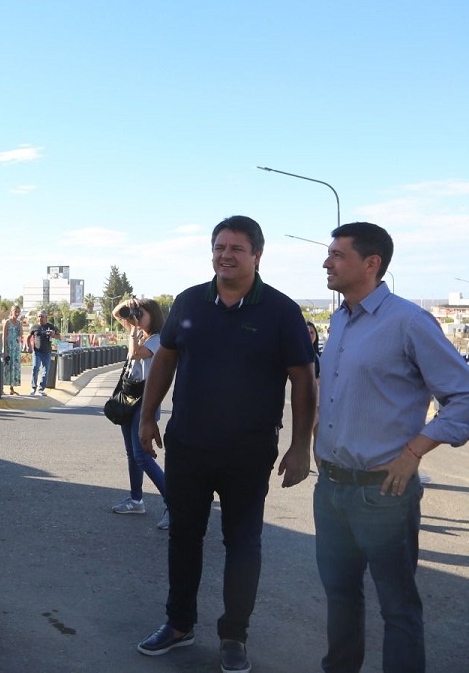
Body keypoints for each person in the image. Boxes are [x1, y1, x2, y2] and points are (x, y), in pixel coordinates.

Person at [136, 215, 316, 673]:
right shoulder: (189, 301)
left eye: (237, 247)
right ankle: (178, 625)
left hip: (249, 452)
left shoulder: (280, 310)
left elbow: (303, 379)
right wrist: (147, 415)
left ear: (257, 254)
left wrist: (300, 447)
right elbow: (166, 359)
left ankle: (234, 635)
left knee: (243, 544)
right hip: (189, 446)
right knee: (183, 537)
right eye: (219, 246)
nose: (226, 254)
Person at [313, 222, 469, 673]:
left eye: (337, 255)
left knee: (398, 606)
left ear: (371, 264)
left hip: (383, 494)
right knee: (340, 596)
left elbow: (467, 396)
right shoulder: (339, 318)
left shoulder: (408, 321)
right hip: (332, 489)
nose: (326, 262)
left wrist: (414, 452)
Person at [110, 296, 169, 530]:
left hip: (145, 401)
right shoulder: (141, 332)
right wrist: (128, 303)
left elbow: (135, 354)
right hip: (129, 398)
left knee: (142, 456)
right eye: (135, 315)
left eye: (141, 314)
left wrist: (134, 331)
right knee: (131, 454)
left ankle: (174, 504)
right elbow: (116, 313)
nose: (135, 318)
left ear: (152, 315)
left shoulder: (157, 340)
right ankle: (136, 500)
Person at [27, 310, 60, 395]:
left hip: (47, 352)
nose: (40, 318)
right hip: (37, 352)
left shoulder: (50, 326)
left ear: (46, 318)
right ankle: (33, 388)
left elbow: (59, 337)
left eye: (42, 316)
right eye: (39, 316)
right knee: (35, 368)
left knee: (45, 371)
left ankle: (41, 389)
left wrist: (53, 335)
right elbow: (28, 337)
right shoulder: (34, 327)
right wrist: (29, 347)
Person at [1, 305, 24, 396]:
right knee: (6, 367)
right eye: (15, 311)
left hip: (16, 348)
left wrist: (21, 324)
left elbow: (21, 335)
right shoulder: (7, 322)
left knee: (14, 368)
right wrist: (5, 349)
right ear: (12, 311)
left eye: (18, 312)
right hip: (8, 347)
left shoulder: (18, 323)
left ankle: (12, 388)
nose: (17, 313)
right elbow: (4, 336)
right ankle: (1, 387)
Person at [307, 321, 322, 386]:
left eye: (312, 332)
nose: (309, 335)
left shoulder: (319, 355)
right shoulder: (299, 356)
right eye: (307, 332)